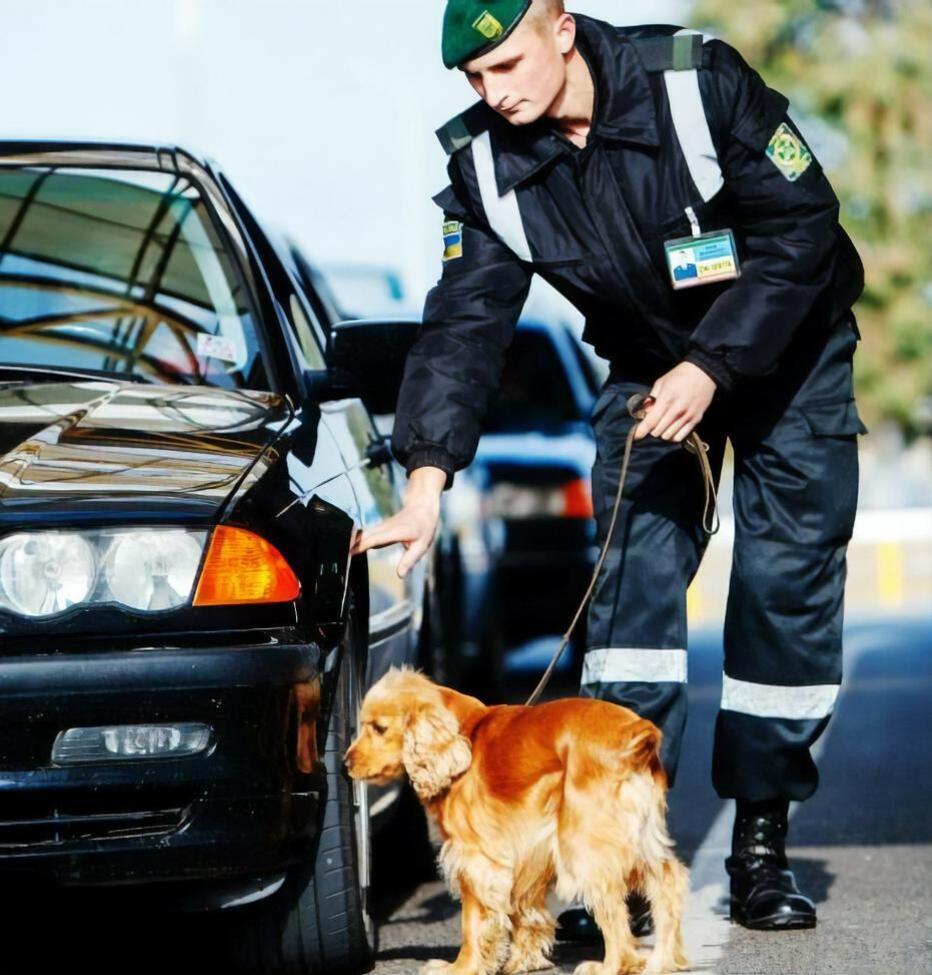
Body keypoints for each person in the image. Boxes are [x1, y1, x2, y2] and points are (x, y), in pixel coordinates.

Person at [351, 0, 867, 939]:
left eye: (504, 66)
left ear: (558, 26)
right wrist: (426, 480)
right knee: (629, 606)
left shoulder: (694, 83)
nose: (491, 94)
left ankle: (759, 841)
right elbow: (465, 326)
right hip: (648, 370)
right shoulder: (483, 166)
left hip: (789, 355)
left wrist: (713, 366)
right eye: (472, 81)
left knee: (781, 587)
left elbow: (805, 232)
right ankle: (615, 861)